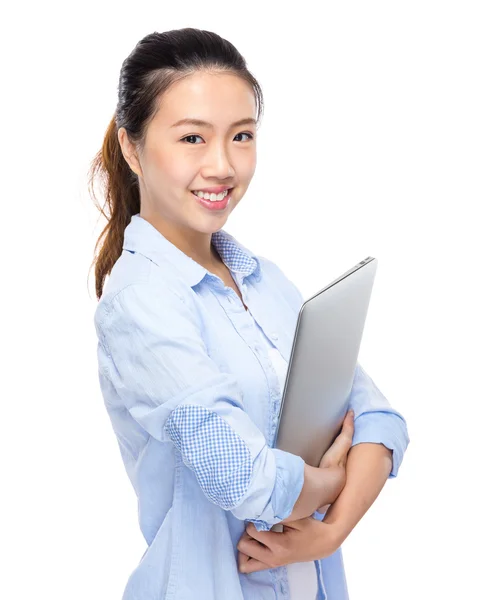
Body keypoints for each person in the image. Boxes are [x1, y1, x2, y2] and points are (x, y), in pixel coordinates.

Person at [89, 28, 410, 600]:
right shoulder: (140, 302)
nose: (222, 166)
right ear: (131, 148)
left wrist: (328, 530)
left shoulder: (264, 280)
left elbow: (379, 420)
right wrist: (335, 480)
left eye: (242, 136)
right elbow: (242, 476)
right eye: (192, 138)